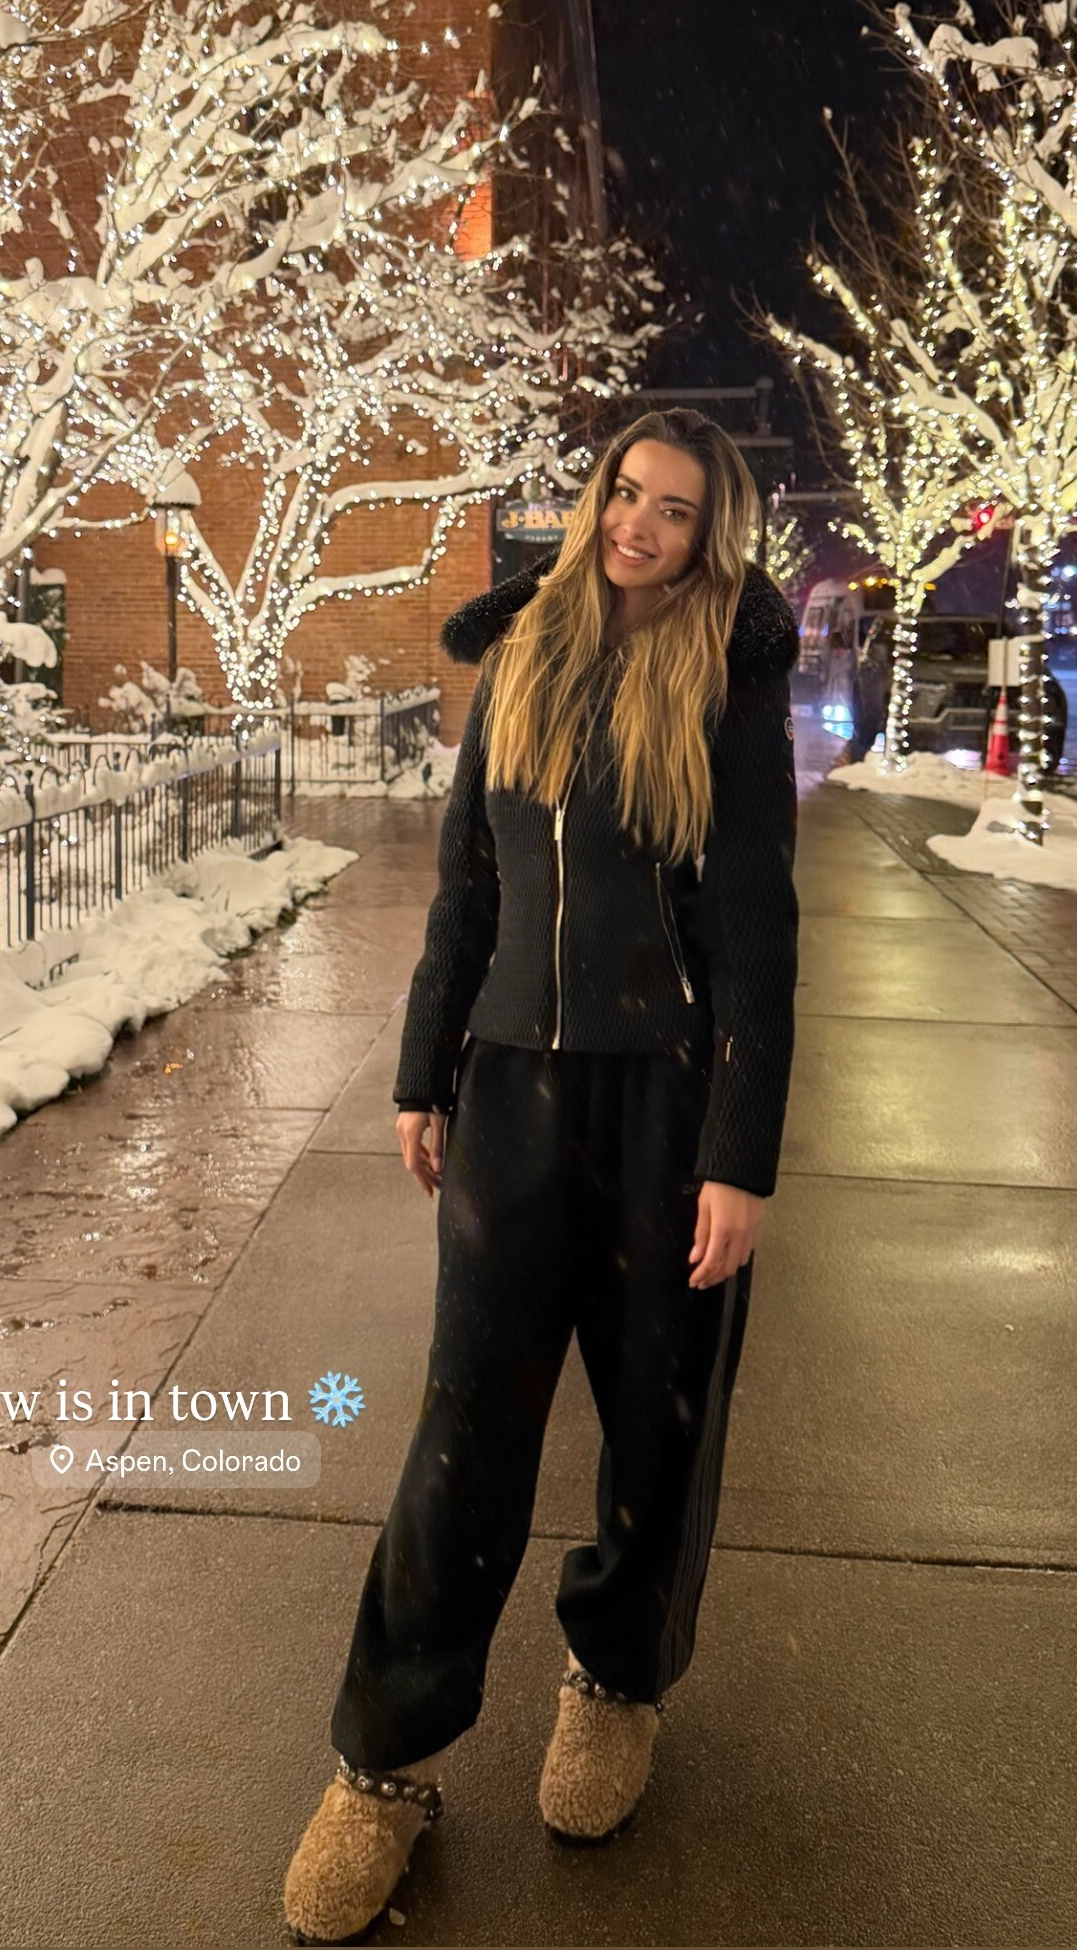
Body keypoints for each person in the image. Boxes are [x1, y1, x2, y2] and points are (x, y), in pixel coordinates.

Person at [283, 410, 800, 1945]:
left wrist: (738, 1155)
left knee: (657, 1417)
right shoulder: (523, 654)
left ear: (710, 532)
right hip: (511, 1087)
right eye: (624, 492)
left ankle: (618, 1675)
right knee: (466, 1427)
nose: (639, 523)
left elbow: (755, 928)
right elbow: (470, 883)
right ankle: (384, 1757)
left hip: (666, 1102)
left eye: (675, 508)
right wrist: (423, 1066)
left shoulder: (726, 676)